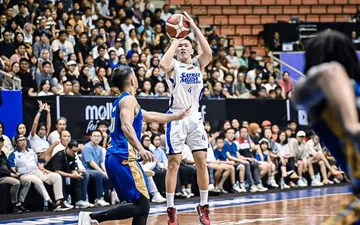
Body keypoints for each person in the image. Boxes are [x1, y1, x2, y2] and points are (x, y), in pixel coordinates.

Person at [78, 67, 189, 225]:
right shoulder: (129, 100)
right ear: (132, 80)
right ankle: (91, 218)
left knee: (141, 206)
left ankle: (92, 218)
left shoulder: (124, 100)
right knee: (143, 206)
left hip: (117, 158)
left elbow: (149, 115)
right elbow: (126, 126)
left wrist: (177, 116)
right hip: (123, 157)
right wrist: (141, 149)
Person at [292, 30, 360, 225]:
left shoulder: (317, 102)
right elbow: (330, 71)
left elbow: (330, 71)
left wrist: (352, 126)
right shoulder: (323, 97)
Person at [159, 11, 213, 225]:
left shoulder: (199, 64)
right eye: (180, 46)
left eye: (186, 45)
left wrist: (193, 28)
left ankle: (204, 205)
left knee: (202, 163)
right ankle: (171, 209)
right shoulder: (173, 66)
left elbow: (207, 51)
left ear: (192, 49)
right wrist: (176, 38)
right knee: (173, 164)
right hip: (176, 117)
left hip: (195, 118)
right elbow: (163, 64)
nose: (183, 48)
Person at [0, 134, 30, 213]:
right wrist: (10, 174)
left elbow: (8, 166)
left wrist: (16, 173)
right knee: (15, 182)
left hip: (7, 174)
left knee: (27, 181)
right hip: (1, 176)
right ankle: (13, 205)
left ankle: (20, 203)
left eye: (1, 141)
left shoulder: (2, 153)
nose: (0, 143)